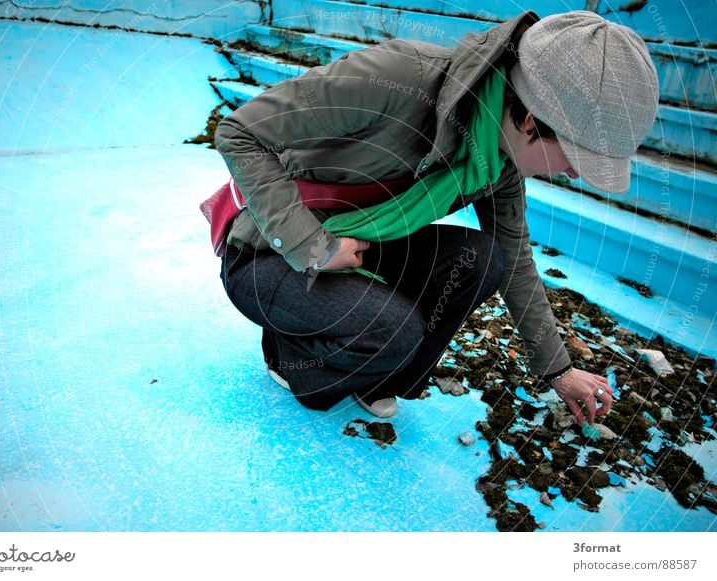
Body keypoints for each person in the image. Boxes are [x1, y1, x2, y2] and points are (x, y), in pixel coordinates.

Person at [212, 11, 659, 421]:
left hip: (362, 250)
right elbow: (238, 132)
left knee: (483, 259)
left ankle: (375, 378)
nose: (577, 173)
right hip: (266, 252)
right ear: (528, 121)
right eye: (577, 155)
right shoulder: (398, 78)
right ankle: (291, 358)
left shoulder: (497, 163)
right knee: (390, 331)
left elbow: (516, 260)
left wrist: (557, 370)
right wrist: (314, 247)